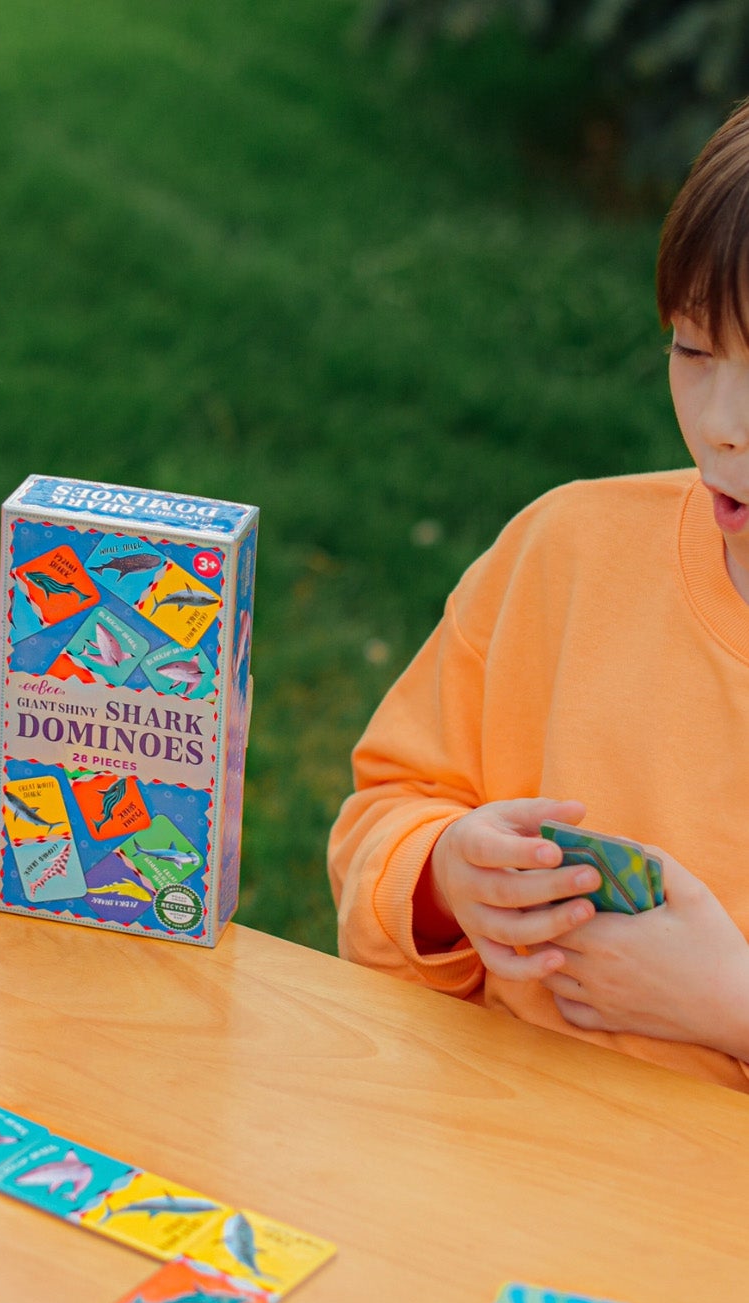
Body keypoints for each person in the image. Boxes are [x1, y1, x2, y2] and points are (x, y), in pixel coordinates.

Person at [329, 96, 749, 1095]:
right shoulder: (560, 554)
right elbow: (382, 814)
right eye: (691, 353)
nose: (722, 425)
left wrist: (727, 1004)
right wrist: (442, 877)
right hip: (499, 1158)